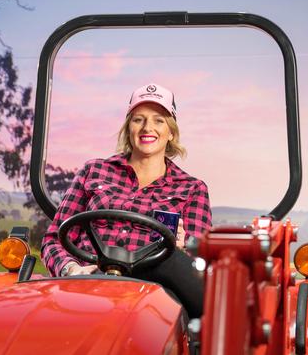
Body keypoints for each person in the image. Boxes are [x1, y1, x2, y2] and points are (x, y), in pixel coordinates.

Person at [40, 83, 212, 317]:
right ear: (128, 127)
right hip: (87, 285)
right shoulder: (95, 171)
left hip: (153, 293)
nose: (147, 128)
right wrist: (72, 269)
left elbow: (200, 264)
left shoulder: (191, 189)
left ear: (171, 131)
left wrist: (183, 248)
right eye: (138, 119)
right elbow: (54, 240)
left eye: (159, 120)